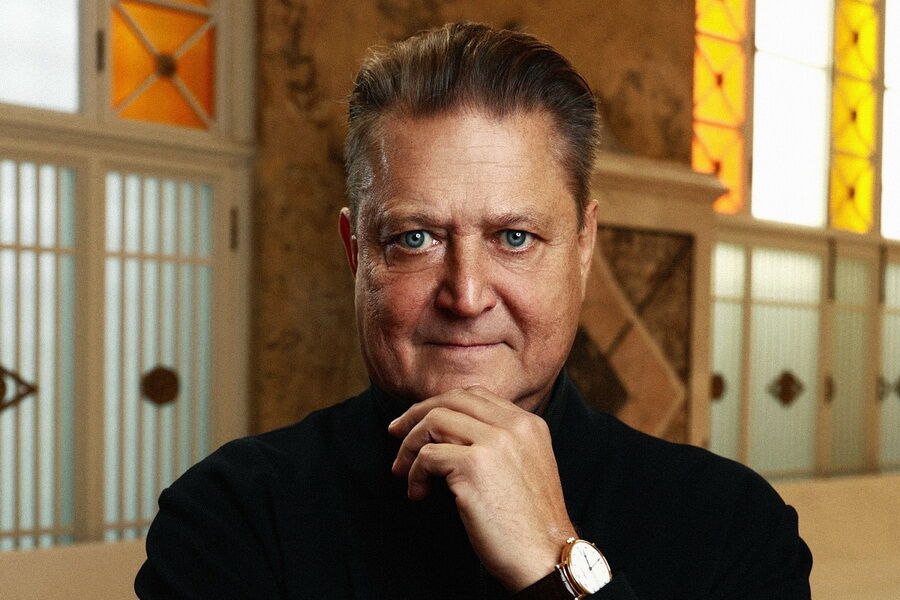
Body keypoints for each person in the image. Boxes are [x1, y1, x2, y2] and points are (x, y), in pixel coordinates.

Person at [135, 22, 812, 599]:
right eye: (415, 239)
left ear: (582, 248)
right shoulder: (230, 515)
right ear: (355, 252)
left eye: (514, 238)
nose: (465, 296)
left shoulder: (733, 525)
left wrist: (557, 564)